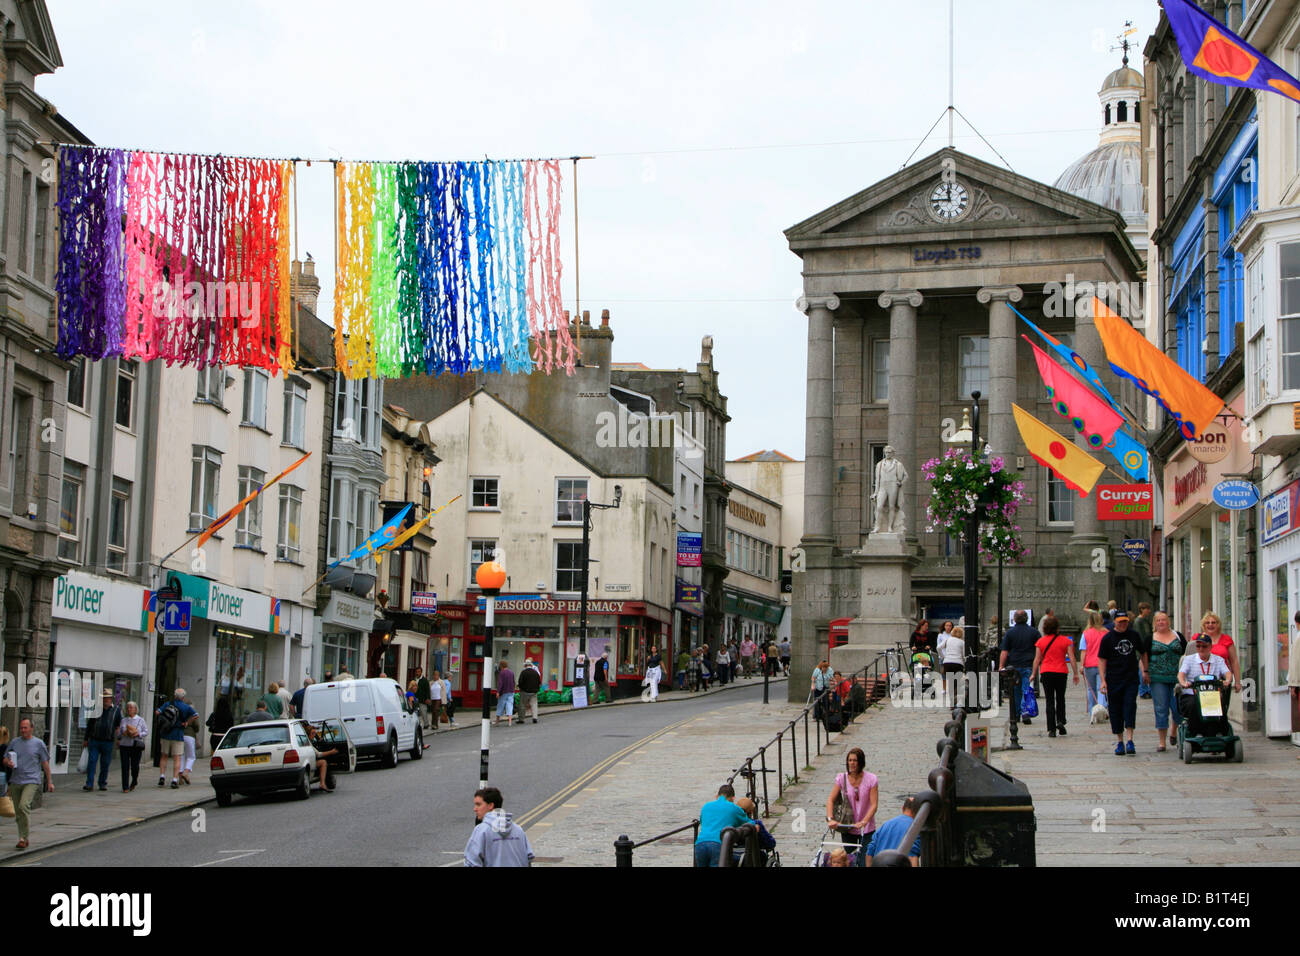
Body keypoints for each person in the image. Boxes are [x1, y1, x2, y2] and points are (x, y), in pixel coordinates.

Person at [1098, 611, 1147, 755]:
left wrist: (1145, 671)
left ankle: (1130, 740)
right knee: (1115, 710)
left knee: (1130, 706)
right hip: (1113, 679)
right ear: (1115, 622)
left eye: (1125, 621)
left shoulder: (1134, 635)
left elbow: (1143, 652)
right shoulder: (1107, 638)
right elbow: (1102, 660)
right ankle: (1120, 741)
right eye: (1120, 622)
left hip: (1131, 678)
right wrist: (1102, 680)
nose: (1123, 624)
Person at [4, 717, 52, 851]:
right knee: (19, 812)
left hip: (31, 780)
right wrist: (8, 762)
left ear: (31, 728)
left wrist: (50, 781)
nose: (23, 730)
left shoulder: (38, 744)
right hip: (16, 780)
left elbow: (45, 763)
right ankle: (23, 838)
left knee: (24, 805)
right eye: (21, 728)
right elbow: (5, 758)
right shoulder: (14, 742)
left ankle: (23, 838)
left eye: (25, 728)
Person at [824, 747, 878, 866]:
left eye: (855, 760)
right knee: (848, 861)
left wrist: (864, 821)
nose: (852, 763)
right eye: (850, 760)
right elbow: (830, 799)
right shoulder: (842, 778)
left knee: (865, 861)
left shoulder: (871, 779)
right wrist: (830, 819)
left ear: (861, 762)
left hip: (867, 828)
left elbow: (874, 805)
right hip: (848, 825)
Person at [1029, 615, 1078, 738]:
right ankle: (1060, 721)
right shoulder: (1066, 641)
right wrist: (1076, 673)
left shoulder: (1041, 642)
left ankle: (1051, 729)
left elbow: (1037, 659)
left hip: (1046, 672)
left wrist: (1033, 674)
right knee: (1060, 698)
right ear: (1057, 628)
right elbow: (1072, 658)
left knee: (1049, 700)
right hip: (1061, 672)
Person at [464, 787, 534, 867]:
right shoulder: (518, 830)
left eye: (478, 804)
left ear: (490, 805)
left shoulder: (482, 830)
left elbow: (472, 862)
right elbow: (528, 859)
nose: (475, 809)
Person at [1147, 611, 1186, 752]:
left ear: (1168, 621)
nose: (1161, 622)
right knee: (1161, 709)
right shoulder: (1150, 638)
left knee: (1178, 708)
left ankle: (1175, 731)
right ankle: (1162, 742)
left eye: (1164, 620)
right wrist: (1145, 673)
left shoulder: (1178, 636)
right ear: (1155, 623)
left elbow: (1186, 654)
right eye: (1158, 620)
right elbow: (1144, 657)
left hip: (1177, 678)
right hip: (1157, 678)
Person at [1177, 635, 1232, 722]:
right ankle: (1194, 731)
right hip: (1193, 694)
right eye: (1198, 646)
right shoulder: (1188, 659)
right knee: (1193, 705)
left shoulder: (1218, 660)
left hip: (1212, 695)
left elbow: (1227, 673)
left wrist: (1227, 680)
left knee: (1221, 707)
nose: (1201, 649)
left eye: (1204, 646)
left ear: (1210, 647)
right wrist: (1183, 682)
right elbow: (1181, 674)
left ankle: (1220, 730)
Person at [1000, 610, 1041, 724]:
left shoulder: (1010, 633)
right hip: (1028, 664)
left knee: (1015, 690)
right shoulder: (1034, 632)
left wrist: (1001, 666)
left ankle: (1017, 713)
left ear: (1015, 619)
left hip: (1013, 665)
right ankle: (1025, 712)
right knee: (1026, 689)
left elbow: (1004, 651)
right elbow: (1040, 649)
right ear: (1026, 618)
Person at [694, 783, 750, 867]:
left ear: (717, 796)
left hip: (700, 844)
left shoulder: (706, 806)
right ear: (733, 798)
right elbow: (748, 822)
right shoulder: (733, 807)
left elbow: (703, 823)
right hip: (719, 844)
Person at [1195, 612, 1242, 712]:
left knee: (1221, 708)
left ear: (1218, 624)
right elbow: (1191, 658)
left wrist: (1237, 681)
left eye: (1213, 622)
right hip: (1202, 678)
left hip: (1222, 679)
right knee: (1203, 709)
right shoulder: (1197, 639)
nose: (1210, 625)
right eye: (1207, 623)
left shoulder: (1226, 639)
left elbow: (1234, 661)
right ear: (1203, 625)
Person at [155, 688, 197, 788]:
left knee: (164, 755)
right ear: (183, 697)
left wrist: (164, 719)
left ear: (174, 695)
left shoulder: (168, 704)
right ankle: (174, 779)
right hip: (178, 734)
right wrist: (187, 722)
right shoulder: (186, 707)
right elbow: (196, 715)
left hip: (166, 733)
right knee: (177, 758)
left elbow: (157, 712)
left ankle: (162, 776)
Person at [864, 796, 922, 866]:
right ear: (918, 812)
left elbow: (869, 852)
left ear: (903, 808)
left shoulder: (886, 825)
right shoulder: (916, 829)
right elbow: (912, 857)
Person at [82, 689, 121, 792]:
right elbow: (90, 725)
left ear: (110, 699)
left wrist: (119, 739)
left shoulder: (116, 710)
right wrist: (86, 739)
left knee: (105, 763)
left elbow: (118, 726)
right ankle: (89, 783)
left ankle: (102, 783)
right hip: (94, 740)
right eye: (104, 698)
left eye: (107, 698)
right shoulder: (96, 709)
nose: (105, 700)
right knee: (92, 761)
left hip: (108, 741)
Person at [1079, 607, 1109, 716]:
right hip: (1104, 665)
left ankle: (1093, 711)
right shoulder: (1106, 633)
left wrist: (1082, 665)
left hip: (1089, 664)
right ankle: (1103, 709)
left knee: (1091, 690)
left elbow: (1083, 651)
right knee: (1102, 687)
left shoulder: (1086, 633)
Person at [732, 796, 776, 865]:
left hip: (734, 856)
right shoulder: (756, 824)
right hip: (754, 857)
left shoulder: (732, 824)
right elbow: (769, 843)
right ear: (751, 812)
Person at [115, 701, 148, 792]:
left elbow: (146, 731)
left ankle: (134, 780)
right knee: (125, 766)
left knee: (135, 766)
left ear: (135, 709)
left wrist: (138, 734)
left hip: (135, 745)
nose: (129, 709)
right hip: (124, 745)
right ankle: (125, 787)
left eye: (131, 708)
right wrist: (122, 733)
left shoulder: (140, 720)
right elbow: (120, 733)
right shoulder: (124, 720)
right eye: (128, 707)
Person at [303, 722, 337, 792]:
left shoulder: (310, 741)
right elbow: (318, 754)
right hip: (308, 762)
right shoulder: (307, 743)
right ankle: (322, 784)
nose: (314, 735)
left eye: (315, 733)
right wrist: (331, 752)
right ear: (308, 734)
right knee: (323, 762)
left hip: (309, 761)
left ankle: (322, 783)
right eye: (312, 733)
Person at [1135, 603, 1155, 699]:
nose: (1149, 611)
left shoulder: (1144, 620)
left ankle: (1147, 689)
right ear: (1142, 609)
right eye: (1147, 609)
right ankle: (1143, 690)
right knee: (1142, 669)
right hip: (1142, 650)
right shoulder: (1139, 621)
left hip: (1146, 648)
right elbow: (1141, 637)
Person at [180, 709, 200, 784]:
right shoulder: (193, 715)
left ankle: (180, 776)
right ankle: (186, 772)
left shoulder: (181, 713)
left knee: (181, 756)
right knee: (191, 756)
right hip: (190, 736)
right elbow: (197, 727)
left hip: (180, 735)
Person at [518, 659, 542, 724]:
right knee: (534, 704)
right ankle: (535, 718)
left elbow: (520, 682)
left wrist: (521, 688)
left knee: (522, 705)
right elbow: (539, 682)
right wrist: (537, 689)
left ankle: (521, 719)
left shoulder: (523, 672)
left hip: (524, 691)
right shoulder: (535, 673)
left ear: (525, 666)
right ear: (531, 665)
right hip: (534, 691)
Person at [494, 658, 516, 727]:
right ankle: (509, 722)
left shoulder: (501, 673)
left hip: (504, 692)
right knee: (510, 706)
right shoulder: (511, 672)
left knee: (500, 706)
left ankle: (497, 721)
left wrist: (498, 692)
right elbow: (513, 682)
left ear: (501, 666)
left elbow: (500, 683)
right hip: (511, 692)